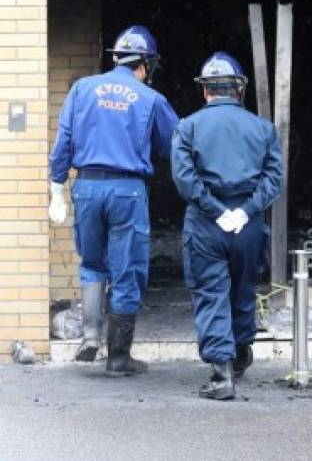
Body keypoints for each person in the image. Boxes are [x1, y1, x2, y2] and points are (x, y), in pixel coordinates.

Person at [48, 25, 179, 376]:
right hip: (126, 190)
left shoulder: (81, 89)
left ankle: (91, 335)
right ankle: (118, 358)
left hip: (87, 186)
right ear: (146, 64)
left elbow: (62, 143)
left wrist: (57, 190)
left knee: (92, 261)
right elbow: (174, 147)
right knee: (127, 269)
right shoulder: (151, 99)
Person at [171, 52, 283, 400]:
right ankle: (242, 353)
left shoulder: (187, 127)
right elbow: (274, 178)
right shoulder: (263, 129)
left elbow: (184, 178)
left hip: (207, 222)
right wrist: (246, 210)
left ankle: (221, 375)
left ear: (205, 91)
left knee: (210, 292)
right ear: (239, 90)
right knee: (243, 288)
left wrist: (216, 210)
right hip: (247, 223)